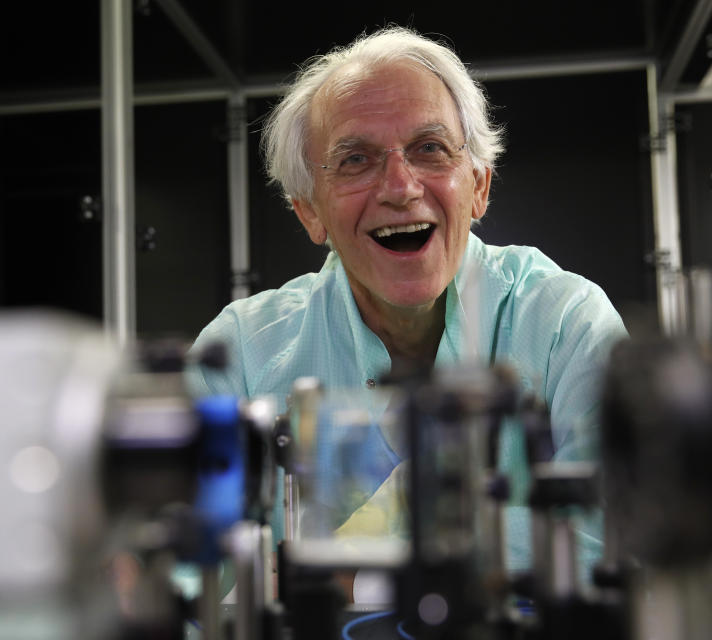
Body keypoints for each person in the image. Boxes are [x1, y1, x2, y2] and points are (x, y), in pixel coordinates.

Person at [187, 26, 627, 580]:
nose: (400, 186)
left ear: (479, 187)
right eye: (355, 160)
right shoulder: (241, 357)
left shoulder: (566, 323)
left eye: (429, 149)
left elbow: (617, 532)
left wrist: (361, 553)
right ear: (309, 212)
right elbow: (184, 568)